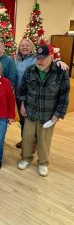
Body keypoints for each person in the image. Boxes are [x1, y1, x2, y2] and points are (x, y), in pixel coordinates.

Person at [17, 44, 70, 177]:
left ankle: (43, 163)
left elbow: (64, 95)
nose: (39, 61)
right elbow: (22, 89)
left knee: (44, 139)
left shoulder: (60, 72)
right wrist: (22, 104)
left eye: (42, 58)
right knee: (27, 137)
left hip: (49, 113)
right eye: (37, 58)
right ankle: (26, 158)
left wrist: (59, 114)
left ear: (51, 57)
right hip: (30, 110)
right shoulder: (30, 70)